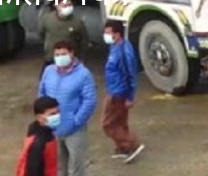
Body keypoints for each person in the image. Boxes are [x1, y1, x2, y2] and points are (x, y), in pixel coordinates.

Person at [38, 40, 97, 176]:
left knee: (76, 168)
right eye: (57, 55)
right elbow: (42, 93)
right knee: (58, 167)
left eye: (63, 54)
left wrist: (76, 121)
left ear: (71, 53)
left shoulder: (83, 74)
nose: (60, 57)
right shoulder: (49, 71)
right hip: (53, 128)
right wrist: (44, 117)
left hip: (75, 131)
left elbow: (90, 101)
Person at [101, 21, 145, 163]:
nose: (106, 35)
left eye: (108, 32)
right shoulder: (115, 47)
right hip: (115, 89)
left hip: (117, 93)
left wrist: (130, 97)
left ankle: (132, 144)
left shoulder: (123, 52)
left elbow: (130, 74)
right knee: (120, 122)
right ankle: (123, 149)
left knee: (107, 124)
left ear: (118, 34)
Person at [39, 0, 88, 75]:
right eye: (64, 5)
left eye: (70, 5)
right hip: (51, 58)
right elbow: (41, 34)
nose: (68, 7)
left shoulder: (77, 22)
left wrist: (81, 57)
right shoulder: (47, 19)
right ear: (56, 6)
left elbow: (83, 40)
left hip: (69, 59)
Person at [15, 96, 60, 176]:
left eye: (58, 112)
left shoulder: (44, 133)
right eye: (52, 114)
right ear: (39, 118)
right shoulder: (39, 144)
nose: (57, 116)